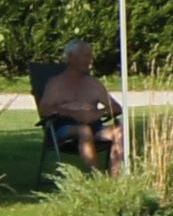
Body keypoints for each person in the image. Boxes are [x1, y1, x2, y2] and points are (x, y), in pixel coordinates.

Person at [34, 37, 125, 176]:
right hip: (64, 128)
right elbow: (44, 109)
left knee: (119, 131)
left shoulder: (93, 83)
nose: (90, 60)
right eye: (86, 56)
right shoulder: (56, 84)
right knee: (84, 130)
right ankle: (98, 177)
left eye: (90, 56)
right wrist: (71, 112)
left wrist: (97, 113)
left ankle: (115, 179)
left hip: (94, 126)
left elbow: (117, 107)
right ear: (71, 57)